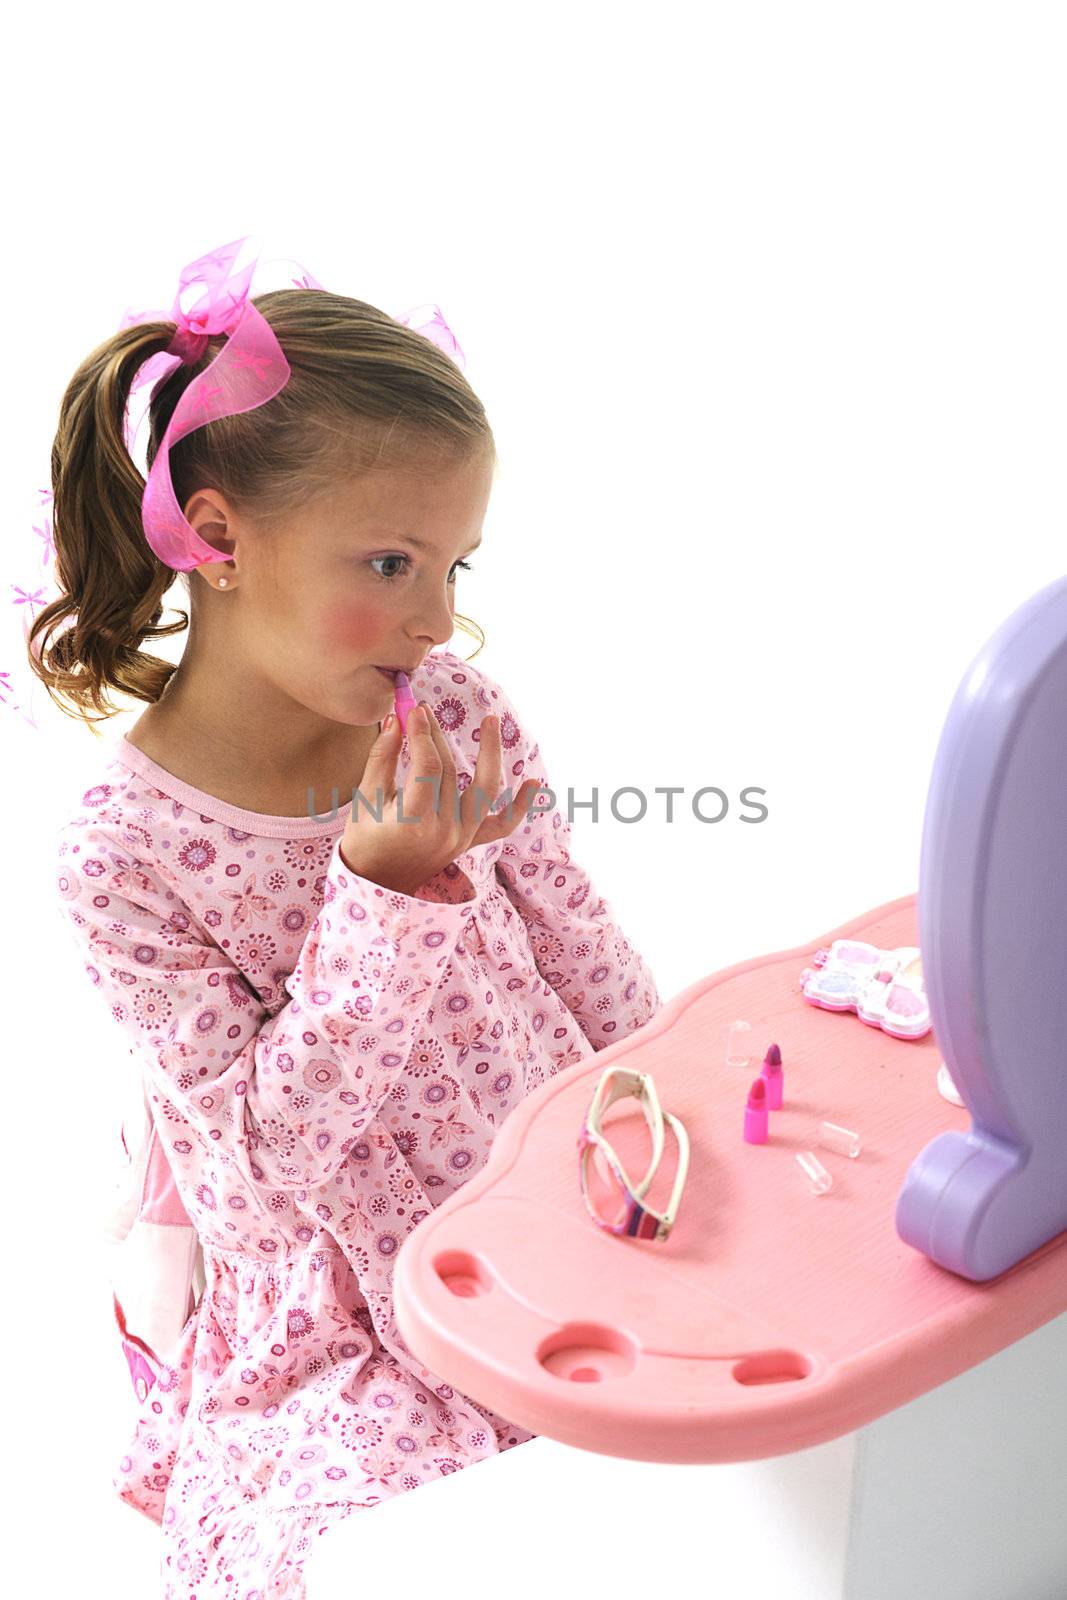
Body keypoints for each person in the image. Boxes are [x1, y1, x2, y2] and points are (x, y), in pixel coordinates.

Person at [33, 242, 662, 1599]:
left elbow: (586, 956)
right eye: (390, 561)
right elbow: (264, 1179)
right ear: (214, 539)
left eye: (458, 568)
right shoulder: (124, 857)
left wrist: (674, 1120)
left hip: (568, 1210)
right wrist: (383, 897)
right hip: (349, 1318)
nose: (438, 621)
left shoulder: (455, 717)